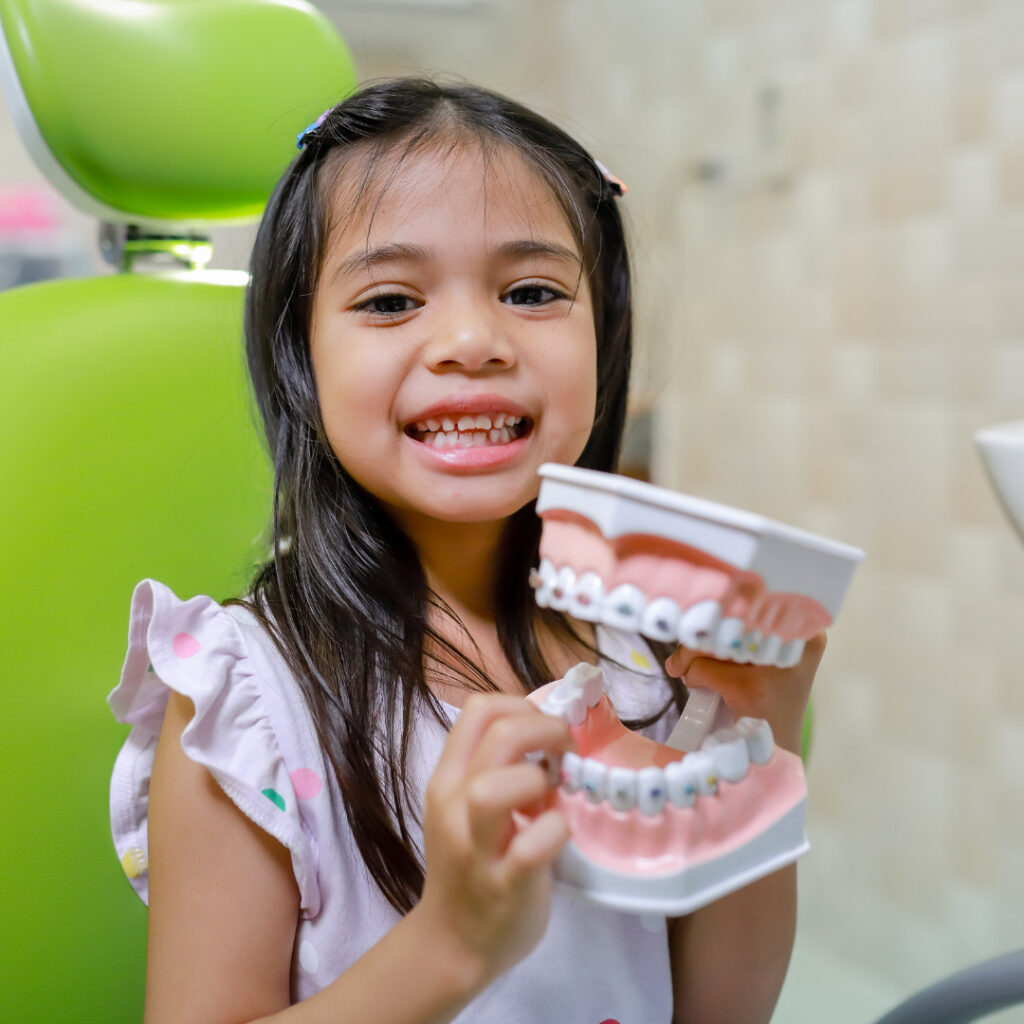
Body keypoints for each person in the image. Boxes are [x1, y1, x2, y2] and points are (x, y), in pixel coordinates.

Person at [108, 77, 824, 1024]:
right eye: (392, 300)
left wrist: (752, 741)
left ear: (604, 341)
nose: (472, 340)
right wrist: (451, 945)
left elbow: (720, 1008)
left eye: (532, 291)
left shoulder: (646, 667)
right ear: (300, 355)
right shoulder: (245, 708)